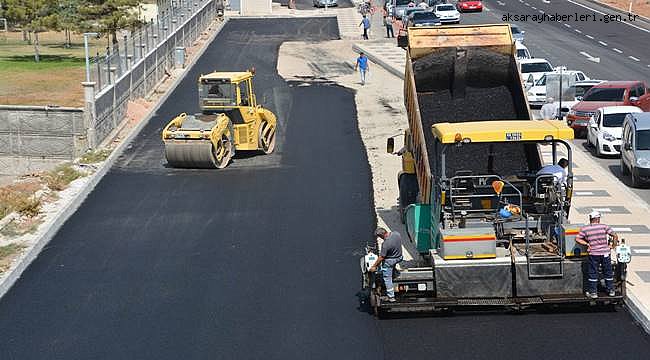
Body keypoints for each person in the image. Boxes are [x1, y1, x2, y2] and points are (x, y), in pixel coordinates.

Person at [575, 211, 619, 298]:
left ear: (590, 219)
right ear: (598, 219)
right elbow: (615, 236)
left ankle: (593, 293)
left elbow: (577, 238)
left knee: (593, 272)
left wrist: (587, 244)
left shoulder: (585, 229)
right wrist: (612, 246)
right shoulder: (604, 227)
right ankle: (611, 290)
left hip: (593, 254)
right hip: (605, 253)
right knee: (608, 272)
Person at [369, 227, 403, 302]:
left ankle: (391, 297)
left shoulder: (385, 244)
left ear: (381, 236)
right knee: (391, 264)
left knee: (387, 278)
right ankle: (394, 272)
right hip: (399, 257)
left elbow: (381, 257)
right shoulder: (397, 234)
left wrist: (374, 266)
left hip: (391, 261)